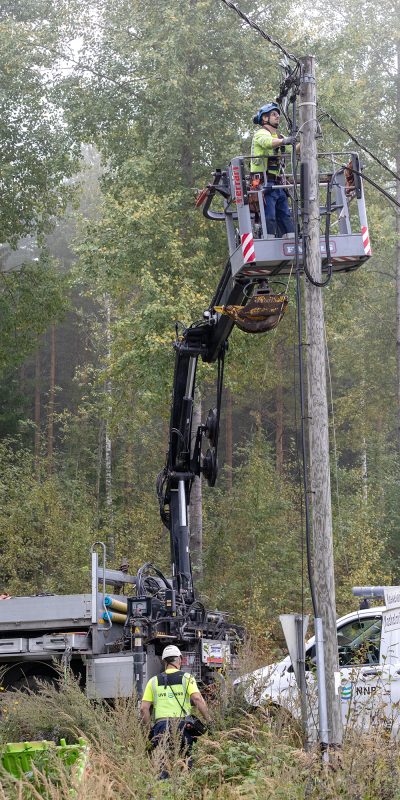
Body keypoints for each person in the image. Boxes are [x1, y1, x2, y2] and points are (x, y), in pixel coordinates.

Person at [141, 644, 211, 778]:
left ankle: (162, 791)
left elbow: (144, 708)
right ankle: (184, 789)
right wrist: (209, 720)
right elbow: (197, 699)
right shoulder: (187, 678)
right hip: (183, 726)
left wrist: (149, 730)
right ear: (179, 659)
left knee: (162, 765)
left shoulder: (153, 681)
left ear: (164, 661)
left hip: (160, 727)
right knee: (186, 764)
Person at [250, 102, 299, 238]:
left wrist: (305, 140)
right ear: (265, 119)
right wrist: (285, 141)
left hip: (278, 184)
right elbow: (268, 143)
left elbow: (293, 149)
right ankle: (268, 240)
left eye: (278, 114)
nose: (277, 117)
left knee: (285, 214)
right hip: (264, 183)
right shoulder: (260, 134)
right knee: (269, 215)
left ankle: (290, 239)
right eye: (273, 114)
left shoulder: (279, 137)